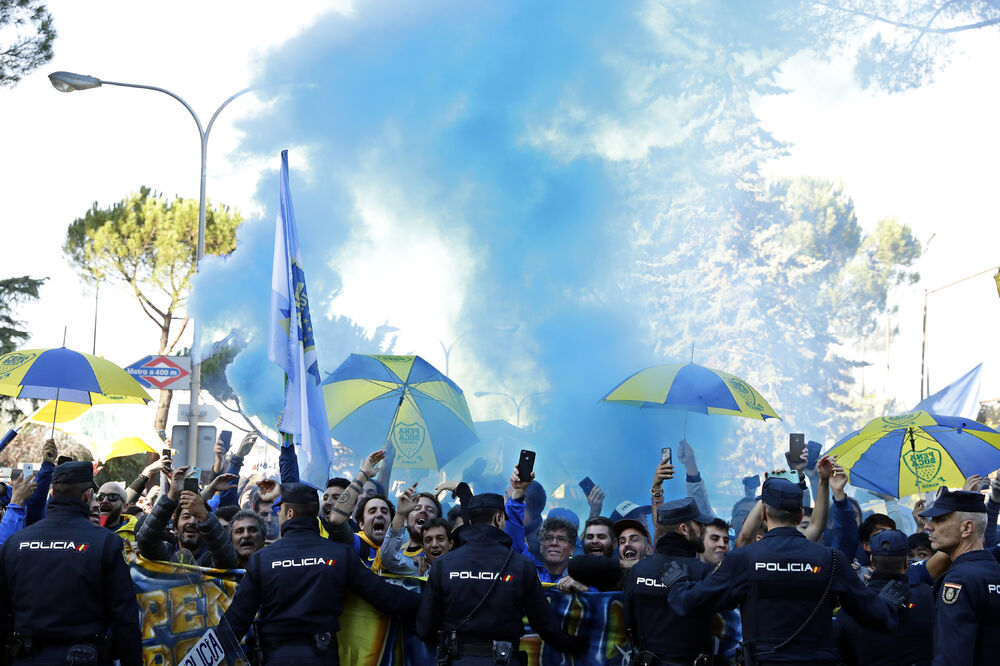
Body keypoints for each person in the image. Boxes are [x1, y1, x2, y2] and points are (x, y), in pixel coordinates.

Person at [665, 476, 904, 666]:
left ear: (764, 514)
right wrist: (889, 601)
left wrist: (677, 582)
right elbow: (876, 617)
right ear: (801, 514)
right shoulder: (830, 558)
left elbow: (691, 603)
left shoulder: (743, 558)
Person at [223, 482, 421, 665]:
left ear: (289, 513)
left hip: (276, 656)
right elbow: (384, 595)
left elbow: (235, 621)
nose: (278, 515)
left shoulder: (262, 559)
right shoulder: (339, 554)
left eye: (279, 510)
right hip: (322, 655)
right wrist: (433, 598)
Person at [416, 493, 588, 665]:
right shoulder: (521, 566)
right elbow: (545, 625)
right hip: (504, 660)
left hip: (457, 660)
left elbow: (426, 629)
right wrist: (580, 644)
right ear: (498, 519)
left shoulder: (443, 565)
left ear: (470, 522)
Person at [0, 461, 142, 666]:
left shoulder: (15, 543)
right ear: (87, 496)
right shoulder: (106, 542)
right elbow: (124, 618)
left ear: (54, 495)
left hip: (26, 658)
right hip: (85, 657)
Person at [624, 497, 716, 665]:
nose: (703, 529)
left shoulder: (639, 569)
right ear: (684, 529)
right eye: (699, 524)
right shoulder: (702, 572)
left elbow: (629, 623)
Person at [920, 487, 1000, 665]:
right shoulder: (993, 571)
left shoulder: (958, 580)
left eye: (939, 519)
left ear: (967, 528)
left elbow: (952, 657)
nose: (928, 526)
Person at [834, 529, 934, 666]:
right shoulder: (928, 596)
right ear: (906, 561)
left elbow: (843, 654)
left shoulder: (853, 606)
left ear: (872, 561)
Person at [136, 465, 238, 568]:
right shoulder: (165, 553)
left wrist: (204, 514)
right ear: (175, 528)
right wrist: (172, 495)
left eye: (198, 518)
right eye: (186, 516)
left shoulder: (210, 559)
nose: (192, 522)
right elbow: (145, 541)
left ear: (205, 528)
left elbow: (226, 559)